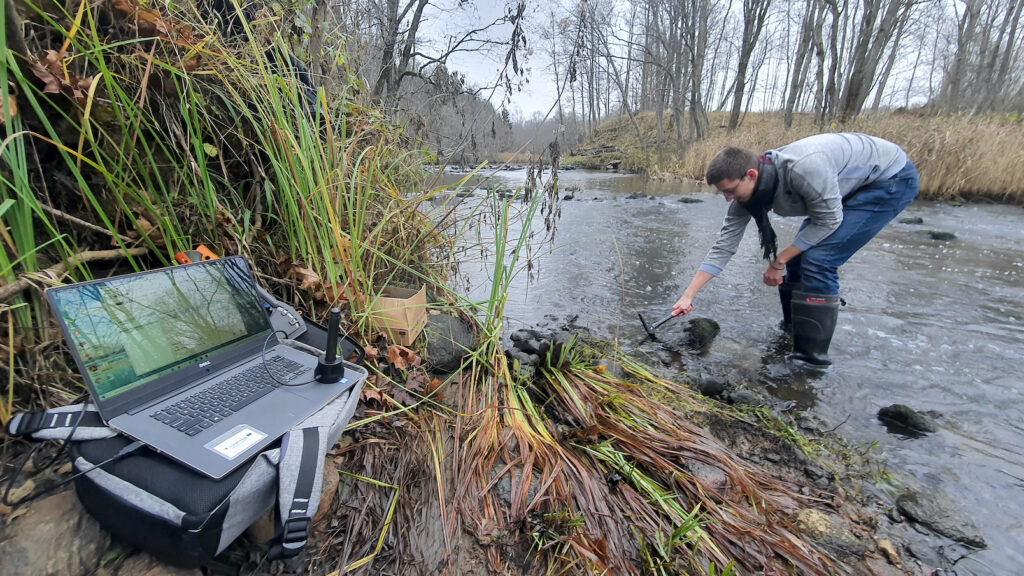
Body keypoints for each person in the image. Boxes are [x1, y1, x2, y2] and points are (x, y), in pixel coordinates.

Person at [672, 132, 919, 366]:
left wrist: (778, 261)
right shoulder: (746, 198)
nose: (727, 198)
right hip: (841, 182)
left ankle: (810, 363)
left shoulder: (804, 169)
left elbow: (829, 221)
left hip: (889, 178)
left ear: (751, 175)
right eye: (723, 193)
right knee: (799, 257)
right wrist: (688, 296)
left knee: (819, 260)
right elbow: (723, 247)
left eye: (730, 190)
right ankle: (793, 335)